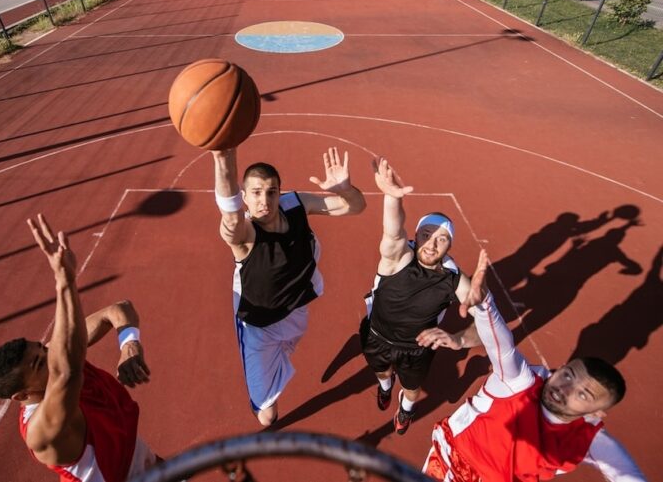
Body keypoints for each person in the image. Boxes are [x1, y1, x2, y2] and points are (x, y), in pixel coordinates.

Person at [423, 250, 648, 481]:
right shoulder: (519, 382)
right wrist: (484, 305)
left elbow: (627, 476)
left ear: (595, 413)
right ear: (560, 368)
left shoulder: (589, 439)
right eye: (568, 375)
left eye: (583, 394)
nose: (564, 389)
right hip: (452, 466)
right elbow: (501, 344)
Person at [0, 214, 157, 482]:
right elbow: (67, 373)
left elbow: (118, 310)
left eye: (41, 347)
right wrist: (65, 282)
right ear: (22, 394)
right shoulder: (43, 432)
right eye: (39, 362)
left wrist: (129, 344)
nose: (48, 355)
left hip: (147, 464)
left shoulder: (55, 358)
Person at [212, 146, 366, 426]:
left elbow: (356, 206)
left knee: (284, 357)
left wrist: (345, 189)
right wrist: (223, 157)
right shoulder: (244, 234)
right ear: (244, 197)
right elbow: (231, 219)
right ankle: (262, 397)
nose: (265, 201)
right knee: (267, 418)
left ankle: (275, 368)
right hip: (259, 326)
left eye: (271, 192)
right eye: (256, 193)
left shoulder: (295, 204)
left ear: (280, 192)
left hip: (296, 313)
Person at [361, 157, 480, 435]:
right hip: (377, 335)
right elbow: (392, 234)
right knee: (382, 372)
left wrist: (460, 339)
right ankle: (385, 387)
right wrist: (391, 198)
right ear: (416, 235)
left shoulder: (454, 279)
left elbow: (486, 319)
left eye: (441, 238)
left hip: (416, 349)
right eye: (427, 234)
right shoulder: (397, 259)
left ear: (450, 245)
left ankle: (405, 410)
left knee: (412, 390)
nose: (432, 243)